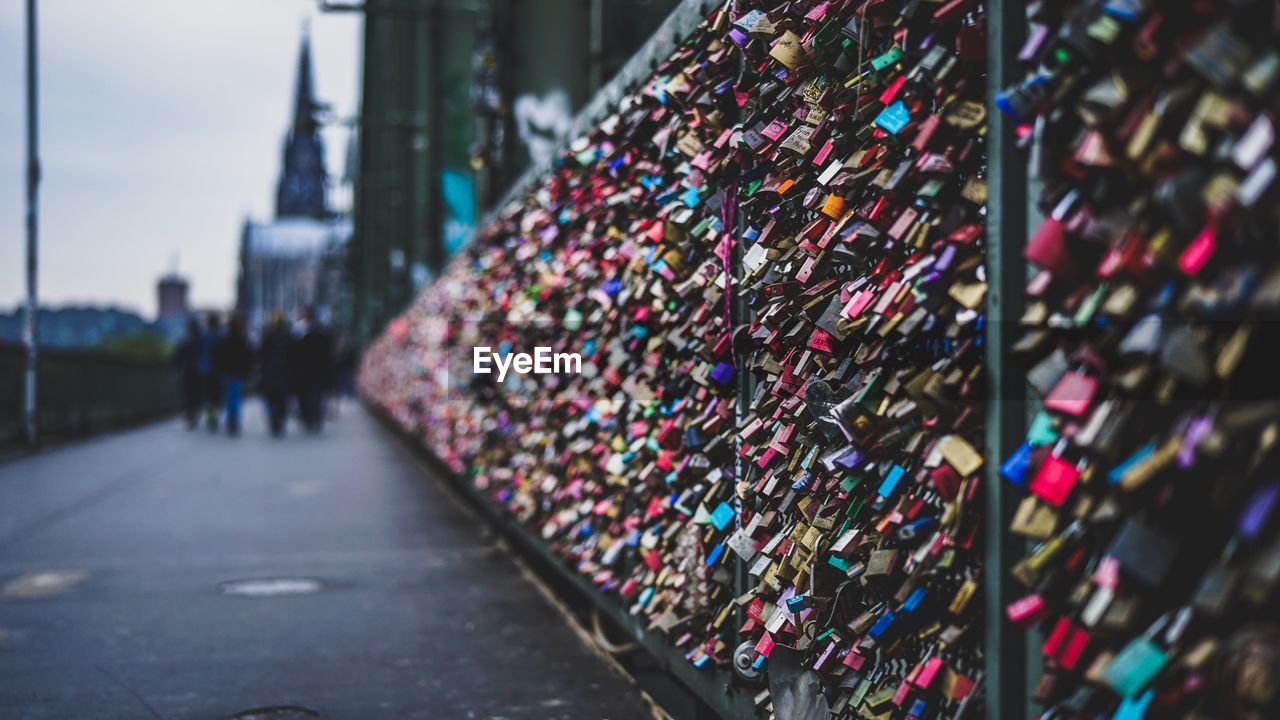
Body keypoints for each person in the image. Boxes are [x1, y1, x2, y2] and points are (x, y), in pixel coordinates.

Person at [293, 308, 334, 433]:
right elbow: (328, 354)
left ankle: (310, 417)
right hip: (318, 371)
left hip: (307, 371)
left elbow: (298, 355)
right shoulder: (322, 334)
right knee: (316, 394)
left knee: (309, 395)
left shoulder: (303, 335)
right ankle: (315, 417)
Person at [214, 314, 253, 436]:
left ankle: (231, 420)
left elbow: (218, 358)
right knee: (235, 397)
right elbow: (248, 358)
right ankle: (234, 421)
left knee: (229, 396)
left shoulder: (224, 340)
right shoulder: (242, 340)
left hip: (227, 373)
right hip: (238, 373)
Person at [258, 311, 293, 437]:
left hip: (270, 372)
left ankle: (274, 418)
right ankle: (280, 417)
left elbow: (261, 353)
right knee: (282, 398)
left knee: (271, 397)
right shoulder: (288, 335)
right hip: (284, 372)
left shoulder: (267, 334)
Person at [171, 318, 204, 429]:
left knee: (187, 394)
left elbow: (177, 358)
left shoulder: (184, 341)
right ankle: (195, 413)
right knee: (197, 393)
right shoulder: (201, 342)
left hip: (187, 372)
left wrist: (176, 371)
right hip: (199, 372)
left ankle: (190, 414)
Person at [200, 314, 223, 432]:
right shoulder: (220, 337)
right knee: (216, 396)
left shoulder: (204, 337)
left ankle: (210, 417)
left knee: (208, 396)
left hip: (206, 370)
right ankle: (214, 416)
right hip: (218, 371)